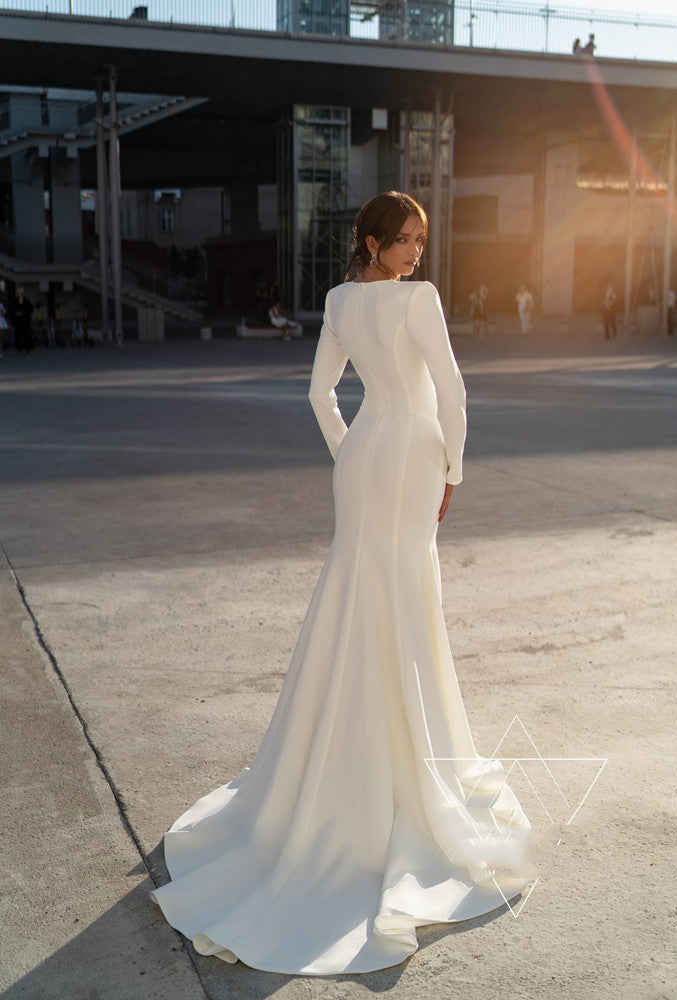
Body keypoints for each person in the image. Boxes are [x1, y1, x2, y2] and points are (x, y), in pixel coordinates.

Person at [151, 191, 531, 975]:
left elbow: (321, 393)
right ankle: (399, 772)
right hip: (413, 458)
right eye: (403, 240)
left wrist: (348, 450)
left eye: (420, 240)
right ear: (370, 241)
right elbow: (452, 392)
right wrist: (455, 467)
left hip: (363, 456)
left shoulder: (337, 300)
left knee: (357, 597)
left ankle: (332, 770)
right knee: (405, 602)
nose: (416, 252)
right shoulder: (417, 302)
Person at [12, 286, 34, 354]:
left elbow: (30, 309)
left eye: (20, 292)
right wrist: (16, 313)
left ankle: (27, 348)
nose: (19, 293)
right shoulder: (15, 300)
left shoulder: (26, 300)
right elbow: (12, 309)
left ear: (22, 293)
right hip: (17, 320)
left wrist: (23, 312)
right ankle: (19, 348)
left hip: (25, 320)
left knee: (26, 334)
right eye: (18, 292)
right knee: (18, 334)